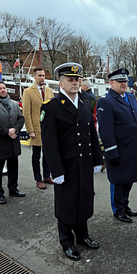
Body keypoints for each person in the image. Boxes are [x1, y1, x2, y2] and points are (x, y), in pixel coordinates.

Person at [40, 62, 103, 261]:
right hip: (66, 165)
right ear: (61, 84)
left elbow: (92, 133)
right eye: (71, 80)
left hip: (83, 163)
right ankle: (66, 241)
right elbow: (49, 143)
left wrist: (97, 159)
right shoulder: (51, 108)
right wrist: (55, 170)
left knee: (83, 198)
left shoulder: (84, 104)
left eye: (77, 80)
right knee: (66, 203)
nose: (76, 83)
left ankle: (82, 235)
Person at [97, 68, 137, 223]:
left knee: (128, 179)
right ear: (111, 83)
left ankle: (125, 205)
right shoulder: (106, 101)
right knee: (118, 182)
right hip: (118, 150)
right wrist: (112, 152)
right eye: (120, 82)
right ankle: (118, 210)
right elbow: (105, 131)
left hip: (132, 148)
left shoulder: (130, 97)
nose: (124, 84)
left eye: (125, 81)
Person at [0, 81, 26, 204]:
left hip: (13, 141)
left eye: (4, 88)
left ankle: (13, 189)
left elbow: (21, 118)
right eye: (0, 88)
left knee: (13, 167)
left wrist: (15, 129)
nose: (3, 90)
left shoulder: (14, 104)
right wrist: (7, 132)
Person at [22, 67, 54, 190]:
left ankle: (47, 176)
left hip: (48, 129)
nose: (42, 78)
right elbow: (26, 112)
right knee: (36, 156)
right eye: (39, 75)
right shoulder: (28, 92)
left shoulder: (49, 91)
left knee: (47, 155)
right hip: (36, 129)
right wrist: (30, 130)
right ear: (34, 77)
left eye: (43, 76)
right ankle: (38, 179)